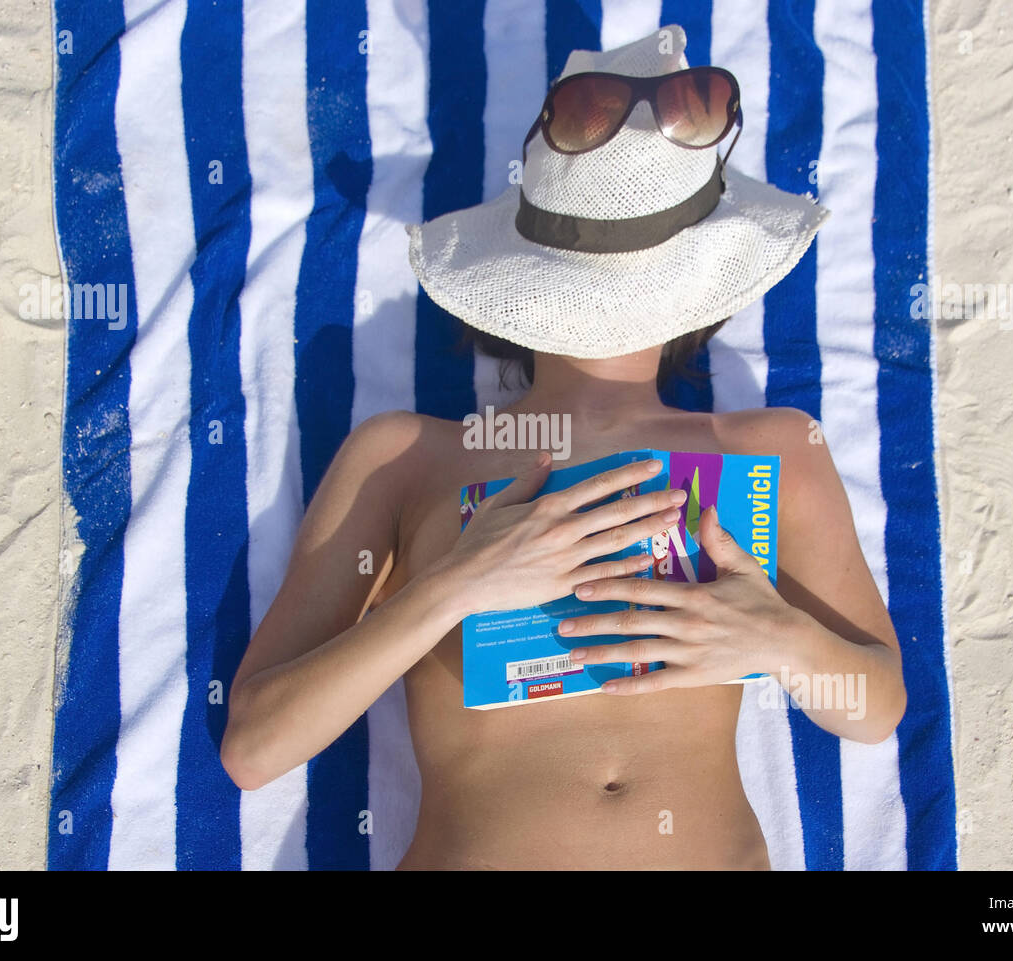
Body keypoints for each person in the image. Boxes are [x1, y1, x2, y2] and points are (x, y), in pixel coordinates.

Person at [219, 25, 906, 870]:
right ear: (706, 275)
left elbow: (873, 708)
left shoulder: (776, 448)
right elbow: (255, 748)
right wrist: (453, 586)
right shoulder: (408, 458)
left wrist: (780, 641)